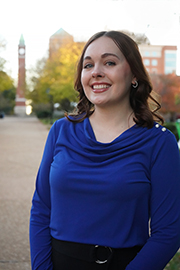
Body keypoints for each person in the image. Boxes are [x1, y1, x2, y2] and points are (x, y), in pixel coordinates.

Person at [29, 31, 180, 270]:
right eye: (88, 65)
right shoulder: (61, 131)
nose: (96, 71)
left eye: (109, 62)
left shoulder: (160, 143)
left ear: (134, 75)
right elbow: (41, 208)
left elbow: (169, 233)